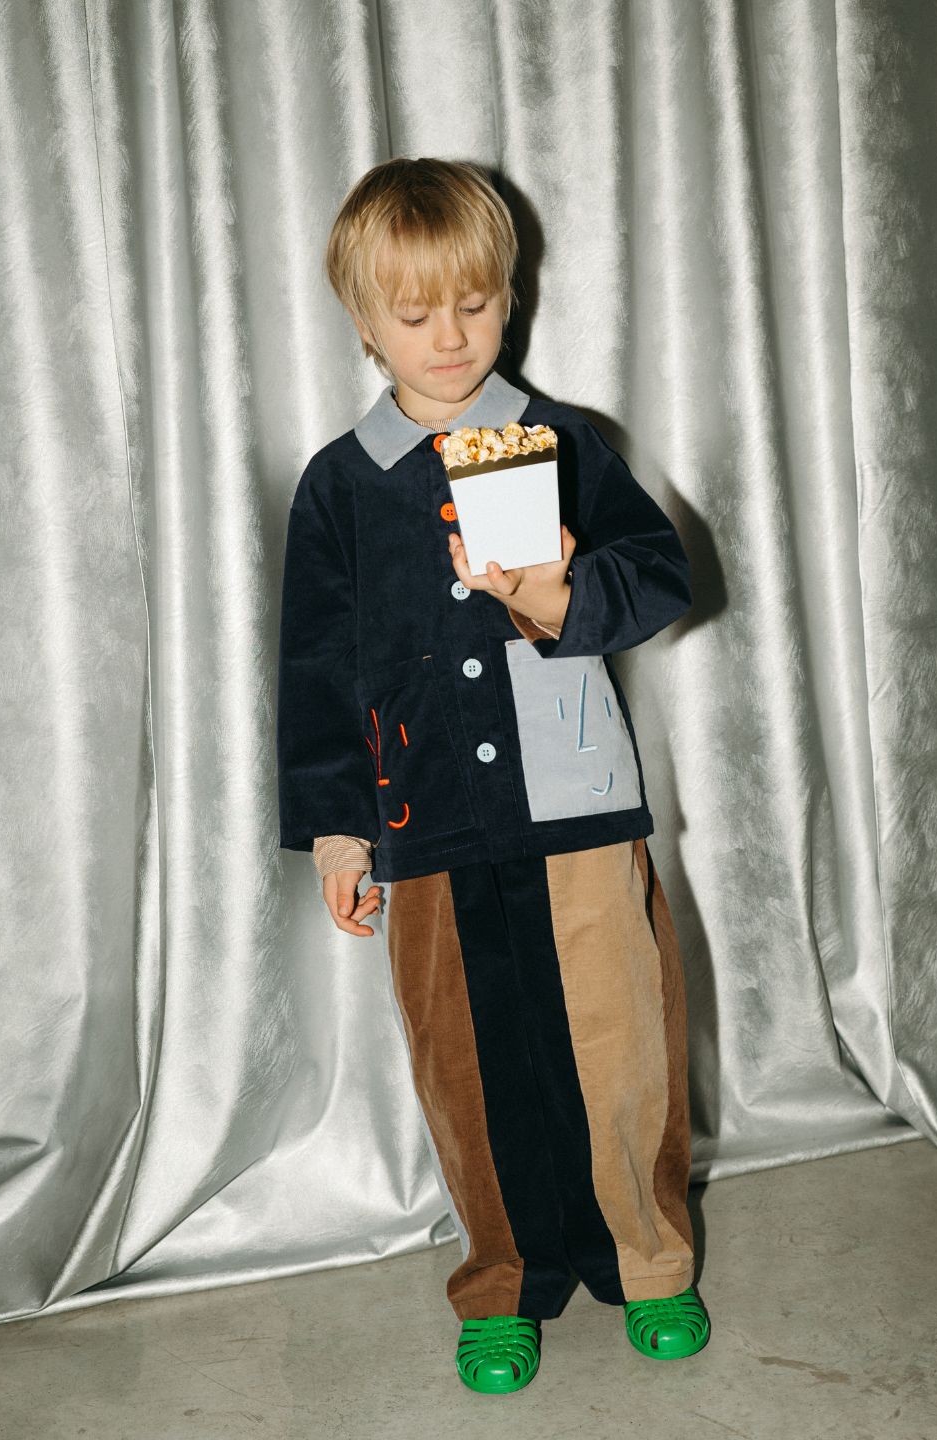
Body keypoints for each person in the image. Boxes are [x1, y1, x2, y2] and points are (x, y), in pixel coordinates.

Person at [277, 157, 709, 1394]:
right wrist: (343, 831)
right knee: (466, 1063)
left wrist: (561, 594)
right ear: (365, 324)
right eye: (415, 315)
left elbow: (661, 574)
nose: (449, 336)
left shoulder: (563, 442)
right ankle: (502, 1279)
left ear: (506, 299)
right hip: (425, 821)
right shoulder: (339, 486)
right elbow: (317, 669)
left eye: (473, 303)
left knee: (620, 1040)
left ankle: (651, 1261)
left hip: (575, 804)